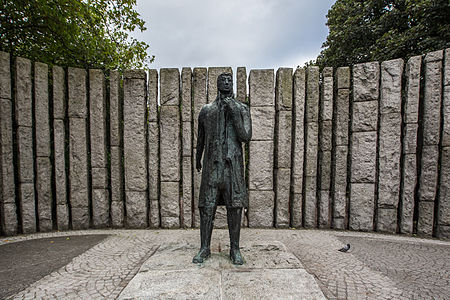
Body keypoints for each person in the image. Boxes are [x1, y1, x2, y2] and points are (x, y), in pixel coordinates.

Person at [193, 73, 252, 265]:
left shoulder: (242, 108)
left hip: (232, 167)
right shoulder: (206, 110)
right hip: (212, 166)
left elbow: (245, 136)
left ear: (232, 84)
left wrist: (233, 111)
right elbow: (200, 138)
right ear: (217, 84)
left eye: (229, 80)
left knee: (234, 207)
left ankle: (235, 249)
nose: (226, 82)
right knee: (207, 207)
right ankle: (205, 248)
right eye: (222, 80)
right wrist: (197, 158)